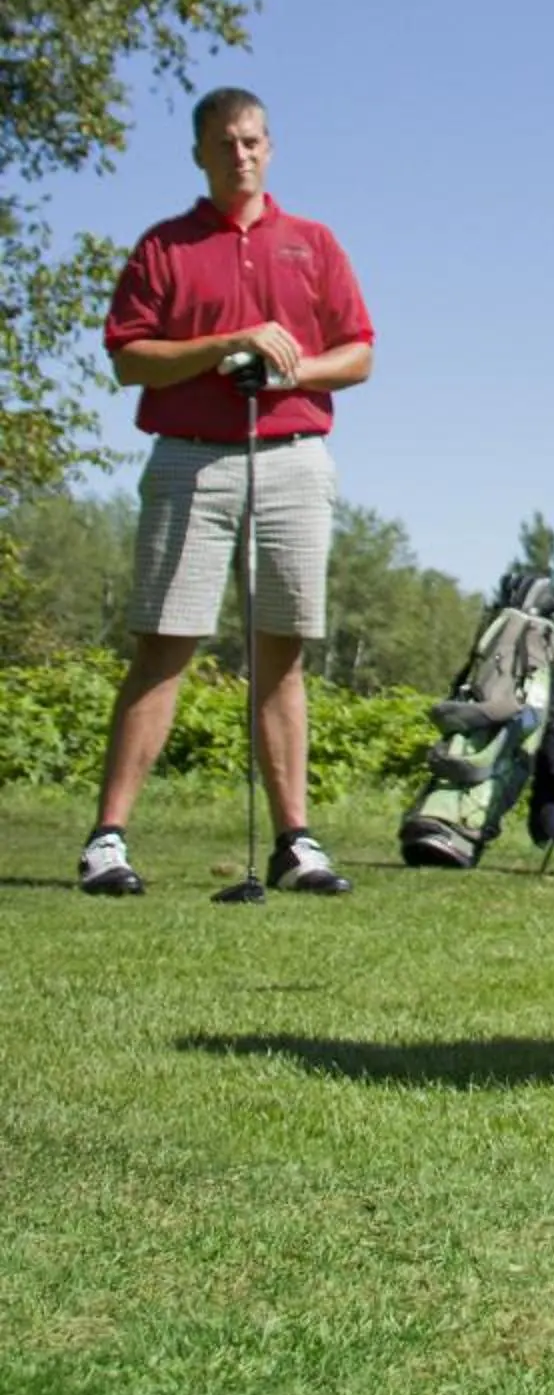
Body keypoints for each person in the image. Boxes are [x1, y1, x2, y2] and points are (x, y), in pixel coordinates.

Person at [77, 87, 375, 899]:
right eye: (223, 144)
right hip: (190, 461)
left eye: (251, 141)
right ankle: (107, 840)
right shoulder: (165, 248)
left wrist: (285, 369)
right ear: (200, 154)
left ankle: (295, 843)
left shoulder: (312, 243)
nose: (239, 155)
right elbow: (131, 358)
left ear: (269, 148)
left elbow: (357, 355)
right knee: (164, 645)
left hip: (293, 460)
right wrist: (222, 347)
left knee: (282, 651)